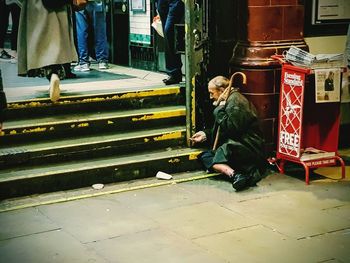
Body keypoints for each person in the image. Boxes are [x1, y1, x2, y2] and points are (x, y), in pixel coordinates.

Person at [191, 75, 267, 191]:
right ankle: (236, 174)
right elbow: (224, 128)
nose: (211, 97)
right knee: (206, 156)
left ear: (221, 90)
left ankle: (234, 174)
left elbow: (232, 129)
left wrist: (219, 110)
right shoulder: (229, 100)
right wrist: (205, 135)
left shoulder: (236, 102)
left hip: (248, 146)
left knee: (221, 151)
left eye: (212, 93)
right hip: (238, 143)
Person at [17, 0, 81, 102]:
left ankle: (51, 75)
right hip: (60, 6)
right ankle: (54, 72)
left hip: (36, 5)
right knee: (57, 39)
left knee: (39, 43)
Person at [74, 0, 109, 72]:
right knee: (99, 30)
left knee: (82, 31)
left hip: (81, 2)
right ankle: (102, 61)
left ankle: (84, 63)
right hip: (97, 2)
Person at [157, 0, 184, 85]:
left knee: (169, 31)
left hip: (175, 2)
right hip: (162, 2)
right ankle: (174, 73)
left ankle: (174, 72)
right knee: (167, 36)